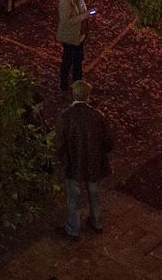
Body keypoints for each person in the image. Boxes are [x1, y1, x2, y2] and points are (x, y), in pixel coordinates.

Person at [54, 79, 111, 238]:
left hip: (74, 163)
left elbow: (59, 144)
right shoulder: (98, 116)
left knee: (73, 196)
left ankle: (73, 228)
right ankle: (96, 221)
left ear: (74, 95)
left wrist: (63, 158)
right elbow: (109, 141)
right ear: (88, 96)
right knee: (94, 193)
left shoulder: (66, 117)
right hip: (94, 163)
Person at [55, 0, 90, 90]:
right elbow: (66, 21)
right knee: (68, 60)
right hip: (70, 37)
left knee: (78, 60)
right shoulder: (66, 1)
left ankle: (77, 82)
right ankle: (64, 83)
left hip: (79, 36)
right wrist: (84, 16)